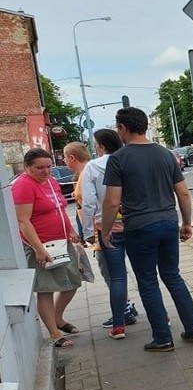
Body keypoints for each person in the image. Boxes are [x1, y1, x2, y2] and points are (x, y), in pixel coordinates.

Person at [101, 107, 193, 352]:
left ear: (123, 128)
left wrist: (106, 231)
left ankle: (162, 338)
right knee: (172, 275)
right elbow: (184, 193)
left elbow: (112, 201)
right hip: (168, 223)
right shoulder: (166, 154)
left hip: (139, 227)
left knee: (148, 282)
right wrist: (186, 223)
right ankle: (192, 327)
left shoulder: (118, 159)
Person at [12, 148, 82, 348]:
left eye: (49, 166)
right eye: (39, 168)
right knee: (46, 289)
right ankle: (53, 332)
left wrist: (70, 230)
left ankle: (58, 317)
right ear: (27, 167)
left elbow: (59, 208)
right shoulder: (24, 186)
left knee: (72, 281)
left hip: (61, 241)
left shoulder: (51, 182)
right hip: (41, 245)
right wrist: (38, 249)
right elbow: (23, 220)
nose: (46, 171)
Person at [81, 129, 137, 340]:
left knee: (117, 278)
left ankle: (119, 326)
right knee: (146, 275)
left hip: (108, 228)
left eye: (96, 144)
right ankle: (162, 316)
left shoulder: (93, 167)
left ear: (102, 146)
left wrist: (88, 231)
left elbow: (88, 203)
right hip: (135, 224)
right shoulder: (129, 161)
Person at [62, 141, 90, 241]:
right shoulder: (85, 173)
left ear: (72, 158)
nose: (64, 161)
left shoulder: (87, 175)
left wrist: (89, 232)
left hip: (98, 232)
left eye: (65, 157)